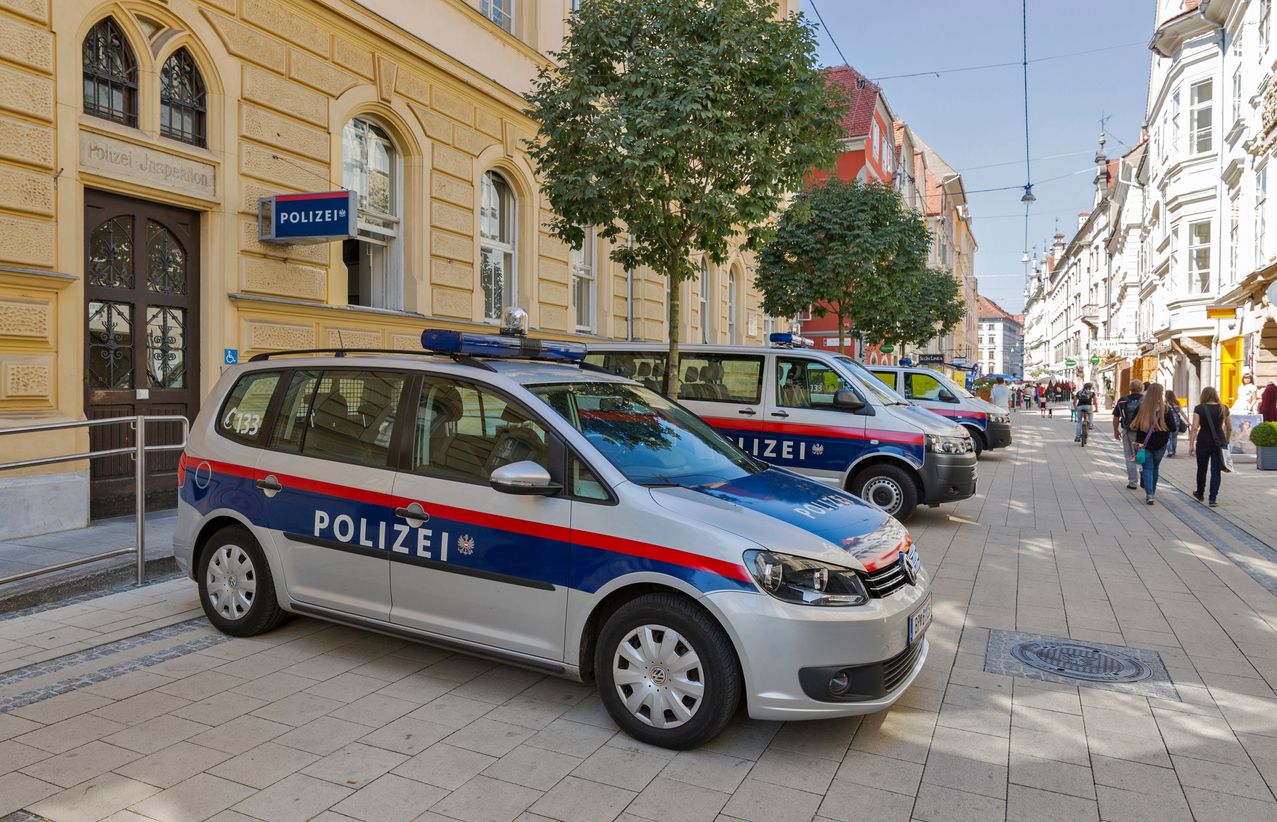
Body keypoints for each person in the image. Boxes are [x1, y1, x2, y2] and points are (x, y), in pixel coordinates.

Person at [1128, 382, 1178, 505]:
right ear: (1161, 393)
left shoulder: (1142, 407)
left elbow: (1132, 425)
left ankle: (1149, 494)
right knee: (1155, 468)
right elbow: (1172, 427)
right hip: (1161, 443)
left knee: (1147, 468)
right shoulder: (1165, 409)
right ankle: (1152, 493)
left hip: (1144, 443)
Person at [1189, 386, 1231, 507]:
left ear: (1203, 395)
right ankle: (1213, 499)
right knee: (1216, 471)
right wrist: (1226, 441)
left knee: (1201, 469)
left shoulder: (1199, 408)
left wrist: (1191, 444)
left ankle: (1200, 493)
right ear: (1215, 395)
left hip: (1203, 441)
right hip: (1219, 442)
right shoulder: (1223, 408)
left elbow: (1195, 427)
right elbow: (1229, 427)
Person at [1113, 379, 1144, 489]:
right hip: (1143, 432)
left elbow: (1116, 417)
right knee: (1142, 454)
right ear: (1141, 388)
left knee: (1130, 456)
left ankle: (1133, 482)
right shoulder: (1145, 400)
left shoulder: (1122, 401)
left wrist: (1116, 430)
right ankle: (1142, 470)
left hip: (1127, 431)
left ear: (1130, 388)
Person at [1165, 389, 1184, 457]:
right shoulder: (1177, 402)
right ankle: (1173, 451)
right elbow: (1182, 412)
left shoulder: (1165, 403)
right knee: (1174, 437)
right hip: (1177, 422)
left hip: (1168, 423)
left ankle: (1170, 451)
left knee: (1168, 438)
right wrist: (1187, 421)